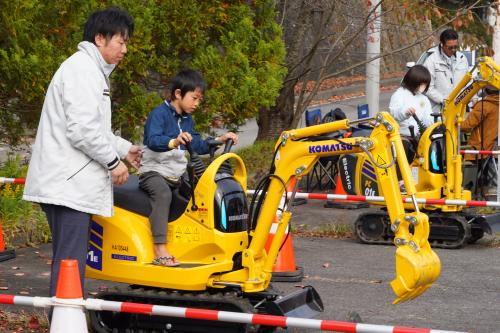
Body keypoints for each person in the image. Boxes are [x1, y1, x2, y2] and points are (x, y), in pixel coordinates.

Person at [23, 7, 141, 298]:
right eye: (121, 42)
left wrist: (126, 149)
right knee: (69, 264)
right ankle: (64, 323)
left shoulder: (91, 70)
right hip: (69, 187)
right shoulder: (83, 70)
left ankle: (66, 320)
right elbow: (82, 131)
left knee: (70, 263)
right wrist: (115, 163)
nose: (125, 49)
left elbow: (95, 128)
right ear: (100, 38)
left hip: (70, 184)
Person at [139, 69, 238, 267]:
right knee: (163, 194)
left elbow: (197, 145)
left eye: (199, 100)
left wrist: (219, 139)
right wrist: (175, 141)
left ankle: (204, 242)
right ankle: (160, 248)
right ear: (178, 94)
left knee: (200, 194)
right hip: (153, 172)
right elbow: (152, 140)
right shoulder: (159, 114)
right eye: (194, 98)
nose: (196, 104)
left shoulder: (186, 119)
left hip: (176, 173)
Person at [462, 87, 499, 197]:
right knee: (484, 175)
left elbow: (466, 126)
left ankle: (470, 193)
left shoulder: (484, 105)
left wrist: (453, 121)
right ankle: (484, 193)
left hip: (478, 147)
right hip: (493, 147)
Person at [422, 28, 469, 112]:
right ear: (442, 44)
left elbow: (467, 82)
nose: (453, 50)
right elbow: (428, 88)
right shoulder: (431, 61)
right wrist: (445, 101)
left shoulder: (462, 59)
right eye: (450, 47)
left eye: (455, 47)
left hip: (459, 108)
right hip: (439, 110)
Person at [389, 65, 434, 138]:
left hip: (420, 137)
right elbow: (394, 114)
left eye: (425, 84)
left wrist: (437, 118)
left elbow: (427, 119)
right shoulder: (399, 94)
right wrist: (405, 112)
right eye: (421, 84)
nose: (423, 87)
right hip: (402, 137)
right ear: (413, 81)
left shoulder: (424, 99)